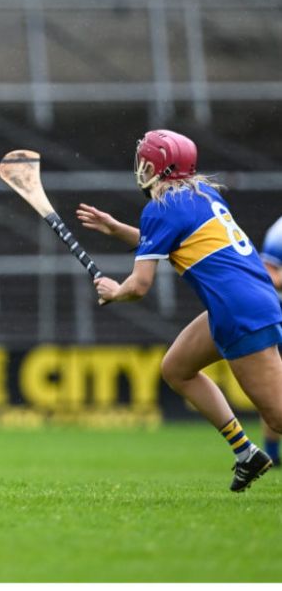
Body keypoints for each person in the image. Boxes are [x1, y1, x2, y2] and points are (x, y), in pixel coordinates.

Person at [76, 128, 282, 492]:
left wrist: (115, 291)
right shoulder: (201, 195)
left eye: (144, 159)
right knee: (177, 369)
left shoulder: (160, 209)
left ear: (154, 166)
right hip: (242, 302)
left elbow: (139, 287)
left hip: (239, 311)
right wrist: (116, 229)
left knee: (278, 417)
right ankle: (246, 452)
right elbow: (167, 241)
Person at [259, 216, 282, 466]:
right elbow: (269, 275)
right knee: (275, 387)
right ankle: (272, 454)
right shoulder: (279, 230)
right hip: (278, 313)